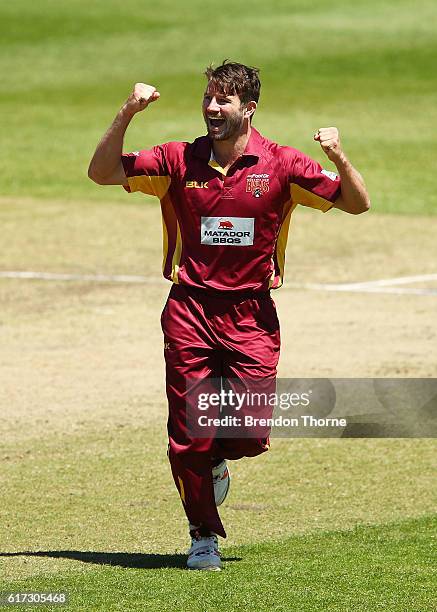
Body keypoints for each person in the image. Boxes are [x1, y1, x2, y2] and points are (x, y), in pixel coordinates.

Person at [88, 61, 370, 571]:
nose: (212, 108)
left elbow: (357, 203)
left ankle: (219, 457)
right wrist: (128, 111)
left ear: (249, 109)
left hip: (251, 314)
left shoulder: (282, 165)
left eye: (224, 100)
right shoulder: (178, 159)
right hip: (189, 310)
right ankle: (202, 535)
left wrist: (336, 154)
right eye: (209, 98)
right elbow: (102, 172)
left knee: (248, 433)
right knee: (189, 433)